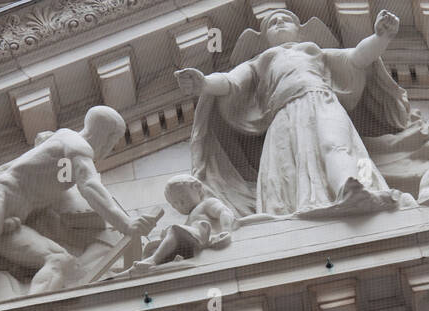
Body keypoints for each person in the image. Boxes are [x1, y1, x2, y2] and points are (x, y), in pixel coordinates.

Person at [175, 9, 415, 218]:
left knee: (336, 144)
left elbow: (356, 58)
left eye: (285, 19)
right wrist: (203, 83)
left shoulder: (312, 51)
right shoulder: (261, 61)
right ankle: (297, 206)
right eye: (272, 22)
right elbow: (230, 82)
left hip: (322, 100)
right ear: (265, 37)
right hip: (284, 115)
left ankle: (348, 189)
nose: (279, 22)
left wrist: (381, 36)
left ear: (299, 31)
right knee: (290, 166)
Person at [0, 106, 158, 295]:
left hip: (11, 223)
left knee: (61, 260)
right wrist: (126, 224)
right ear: (105, 135)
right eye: (113, 141)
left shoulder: (62, 152)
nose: (108, 150)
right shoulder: (77, 144)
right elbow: (90, 186)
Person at [125, 175, 236, 273]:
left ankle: (153, 260)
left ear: (196, 187)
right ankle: (156, 261)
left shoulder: (208, 203)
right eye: (175, 204)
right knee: (152, 246)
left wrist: (226, 230)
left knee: (175, 230)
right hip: (193, 240)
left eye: (183, 199)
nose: (180, 205)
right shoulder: (189, 220)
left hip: (206, 236)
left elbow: (224, 212)